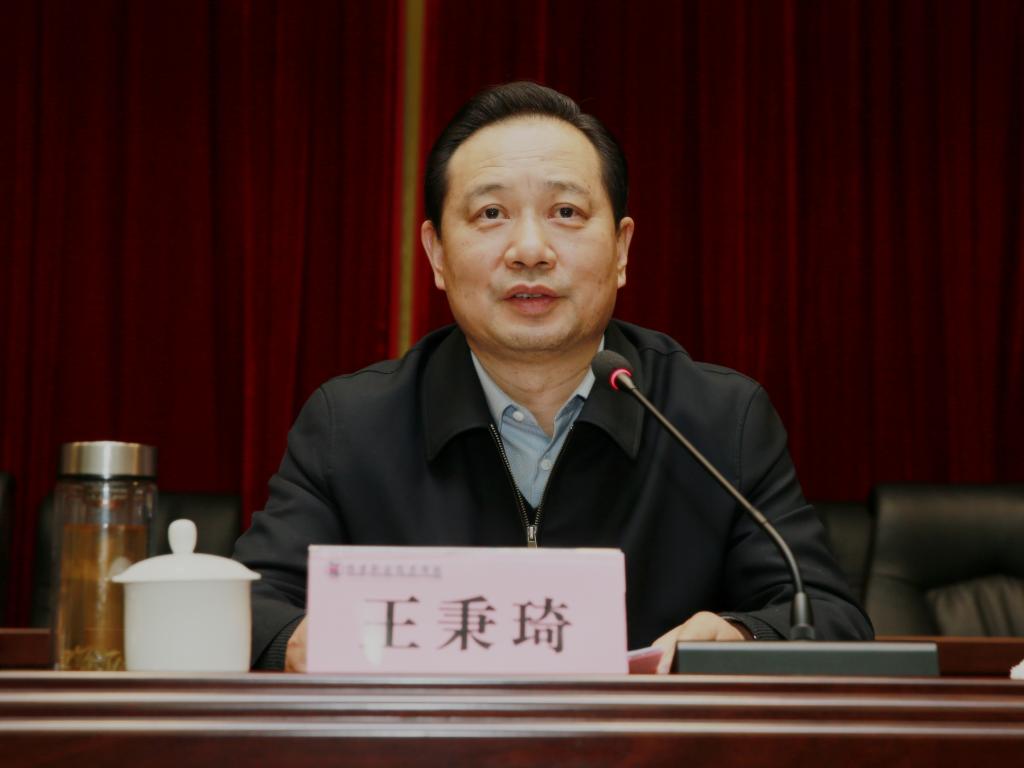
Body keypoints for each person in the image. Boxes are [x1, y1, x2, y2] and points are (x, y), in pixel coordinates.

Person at [233, 82, 873, 673]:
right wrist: (298, 641)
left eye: (566, 211)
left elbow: (828, 618)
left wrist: (743, 637)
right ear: (436, 254)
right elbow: (248, 608)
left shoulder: (716, 417)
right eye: (491, 214)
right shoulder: (352, 424)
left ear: (621, 249)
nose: (530, 251)